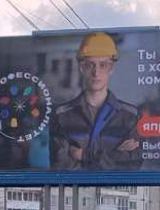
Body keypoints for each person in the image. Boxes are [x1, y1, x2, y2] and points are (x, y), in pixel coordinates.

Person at [50, 32, 140, 170]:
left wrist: (83, 156)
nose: (96, 73)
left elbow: (131, 165)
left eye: (103, 65)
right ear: (81, 68)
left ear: (111, 68)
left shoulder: (130, 116)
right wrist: (113, 157)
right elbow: (61, 167)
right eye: (90, 65)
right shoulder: (61, 116)